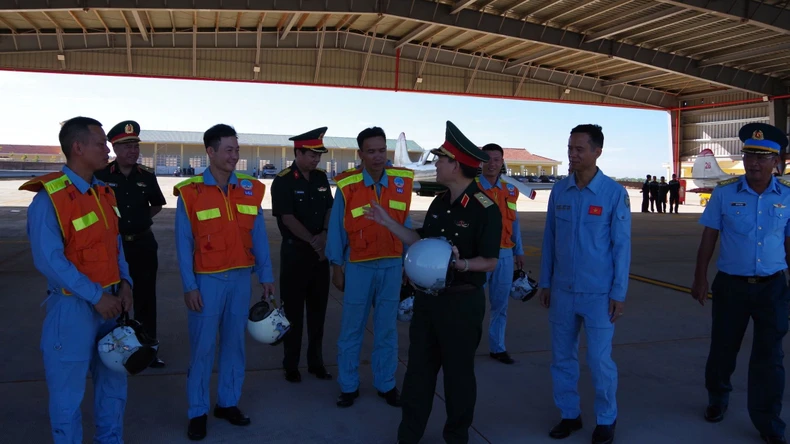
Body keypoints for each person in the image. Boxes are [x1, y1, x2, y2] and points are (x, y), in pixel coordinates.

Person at [365, 121, 502, 444]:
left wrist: (462, 263)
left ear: (455, 165)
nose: (436, 164)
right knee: (418, 374)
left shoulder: (486, 209)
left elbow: (491, 260)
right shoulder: (440, 203)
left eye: (441, 159)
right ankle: (408, 436)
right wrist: (388, 223)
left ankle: (456, 437)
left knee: (458, 378)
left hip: (461, 305)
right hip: (429, 303)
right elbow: (420, 240)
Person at [20, 116, 133, 443]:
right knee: (67, 396)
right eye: (101, 144)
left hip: (112, 307)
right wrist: (97, 296)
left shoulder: (103, 193)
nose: (108, 150)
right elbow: (49, 260)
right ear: (77, 147)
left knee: (114, 386)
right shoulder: (49, 198)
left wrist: (125, 284)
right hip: (72, 309)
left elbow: (115, 244)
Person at [173, 124, 275, 441]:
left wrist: (267, 275)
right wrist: (189, 285)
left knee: (234, 346)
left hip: (241, 278)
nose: (234, 155)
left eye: (237, 149)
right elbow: (182, 242)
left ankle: (228, 403)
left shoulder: (249, 189)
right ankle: (198, 411)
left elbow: (258, 235)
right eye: (228, 150)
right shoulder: (190, 193)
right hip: (207, 282)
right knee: (203, 349)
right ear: (211, 152)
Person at [691, 122, 790, 444]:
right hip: (731, 287)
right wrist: (700, 276)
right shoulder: (724, 194)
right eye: (750, 155)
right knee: (723, 348)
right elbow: (709, 236)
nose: (754, 163)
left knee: (770, 357)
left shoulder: (787, 198)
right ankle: (718, 397)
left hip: (772, 287)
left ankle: (767, 420)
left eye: (763, 157)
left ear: (776, 162)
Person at [536, 124, 631, 444]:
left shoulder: (613, 193)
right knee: (562, 357)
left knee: (599, 361)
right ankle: (569, 414)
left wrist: (619, 292)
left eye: (579, 149)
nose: (572, 154)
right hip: (562, 291)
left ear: (597, 152)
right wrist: (545, 282)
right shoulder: (560, 191)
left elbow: (621, 246)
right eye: (570, 148)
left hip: (598, 294)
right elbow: (550, 239)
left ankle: (606, 418)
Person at [325, 126, 412, 408]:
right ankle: (348, 385)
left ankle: (386, 383)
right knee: (352, 329)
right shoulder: (348, 187)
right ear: (360, 154)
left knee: (387, 330)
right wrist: (336, 267)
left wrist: (407, 263)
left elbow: (406, 225)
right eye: (371, 151)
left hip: (390, 266)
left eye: (381, 151)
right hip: (359, 267)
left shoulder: (401, 184)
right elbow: (337, 229)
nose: (377, 157)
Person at [96, 120, 167, 368]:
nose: (133, 151)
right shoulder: (101, 175)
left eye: (135, 146)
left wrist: (140, 219)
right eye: (126, 146)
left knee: (146, 298)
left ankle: (149, 349)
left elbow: (157, 203)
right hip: (114, 248)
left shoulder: (146, 176)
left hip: (142, 244)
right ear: (115, 148)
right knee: (115, 298)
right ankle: (117, 349)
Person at [271, 126, 334, 383]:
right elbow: (287, 217)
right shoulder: (283, 180)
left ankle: (316, 362)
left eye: (319, 155)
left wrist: (326, 233)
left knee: (318, 313)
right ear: (298, 152)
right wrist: (313, 240)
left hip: (319, 257)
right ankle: (291, 364)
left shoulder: (320, 178)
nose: (316, 159)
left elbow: (330, 208)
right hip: (296, 254)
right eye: (311, 154)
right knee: (293, 314)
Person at [475, 143, 525, 365]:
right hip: (479, 255)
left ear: (502, 162)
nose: (492, 163)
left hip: (505, 254)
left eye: (497, 159)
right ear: (480, 161)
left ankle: (498, 347)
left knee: (500, 305)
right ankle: (467, 346)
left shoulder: (510, 190)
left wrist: (519, 249)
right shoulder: (472, 189)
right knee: (473, 304)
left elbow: (514, 222)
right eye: (487, 159)